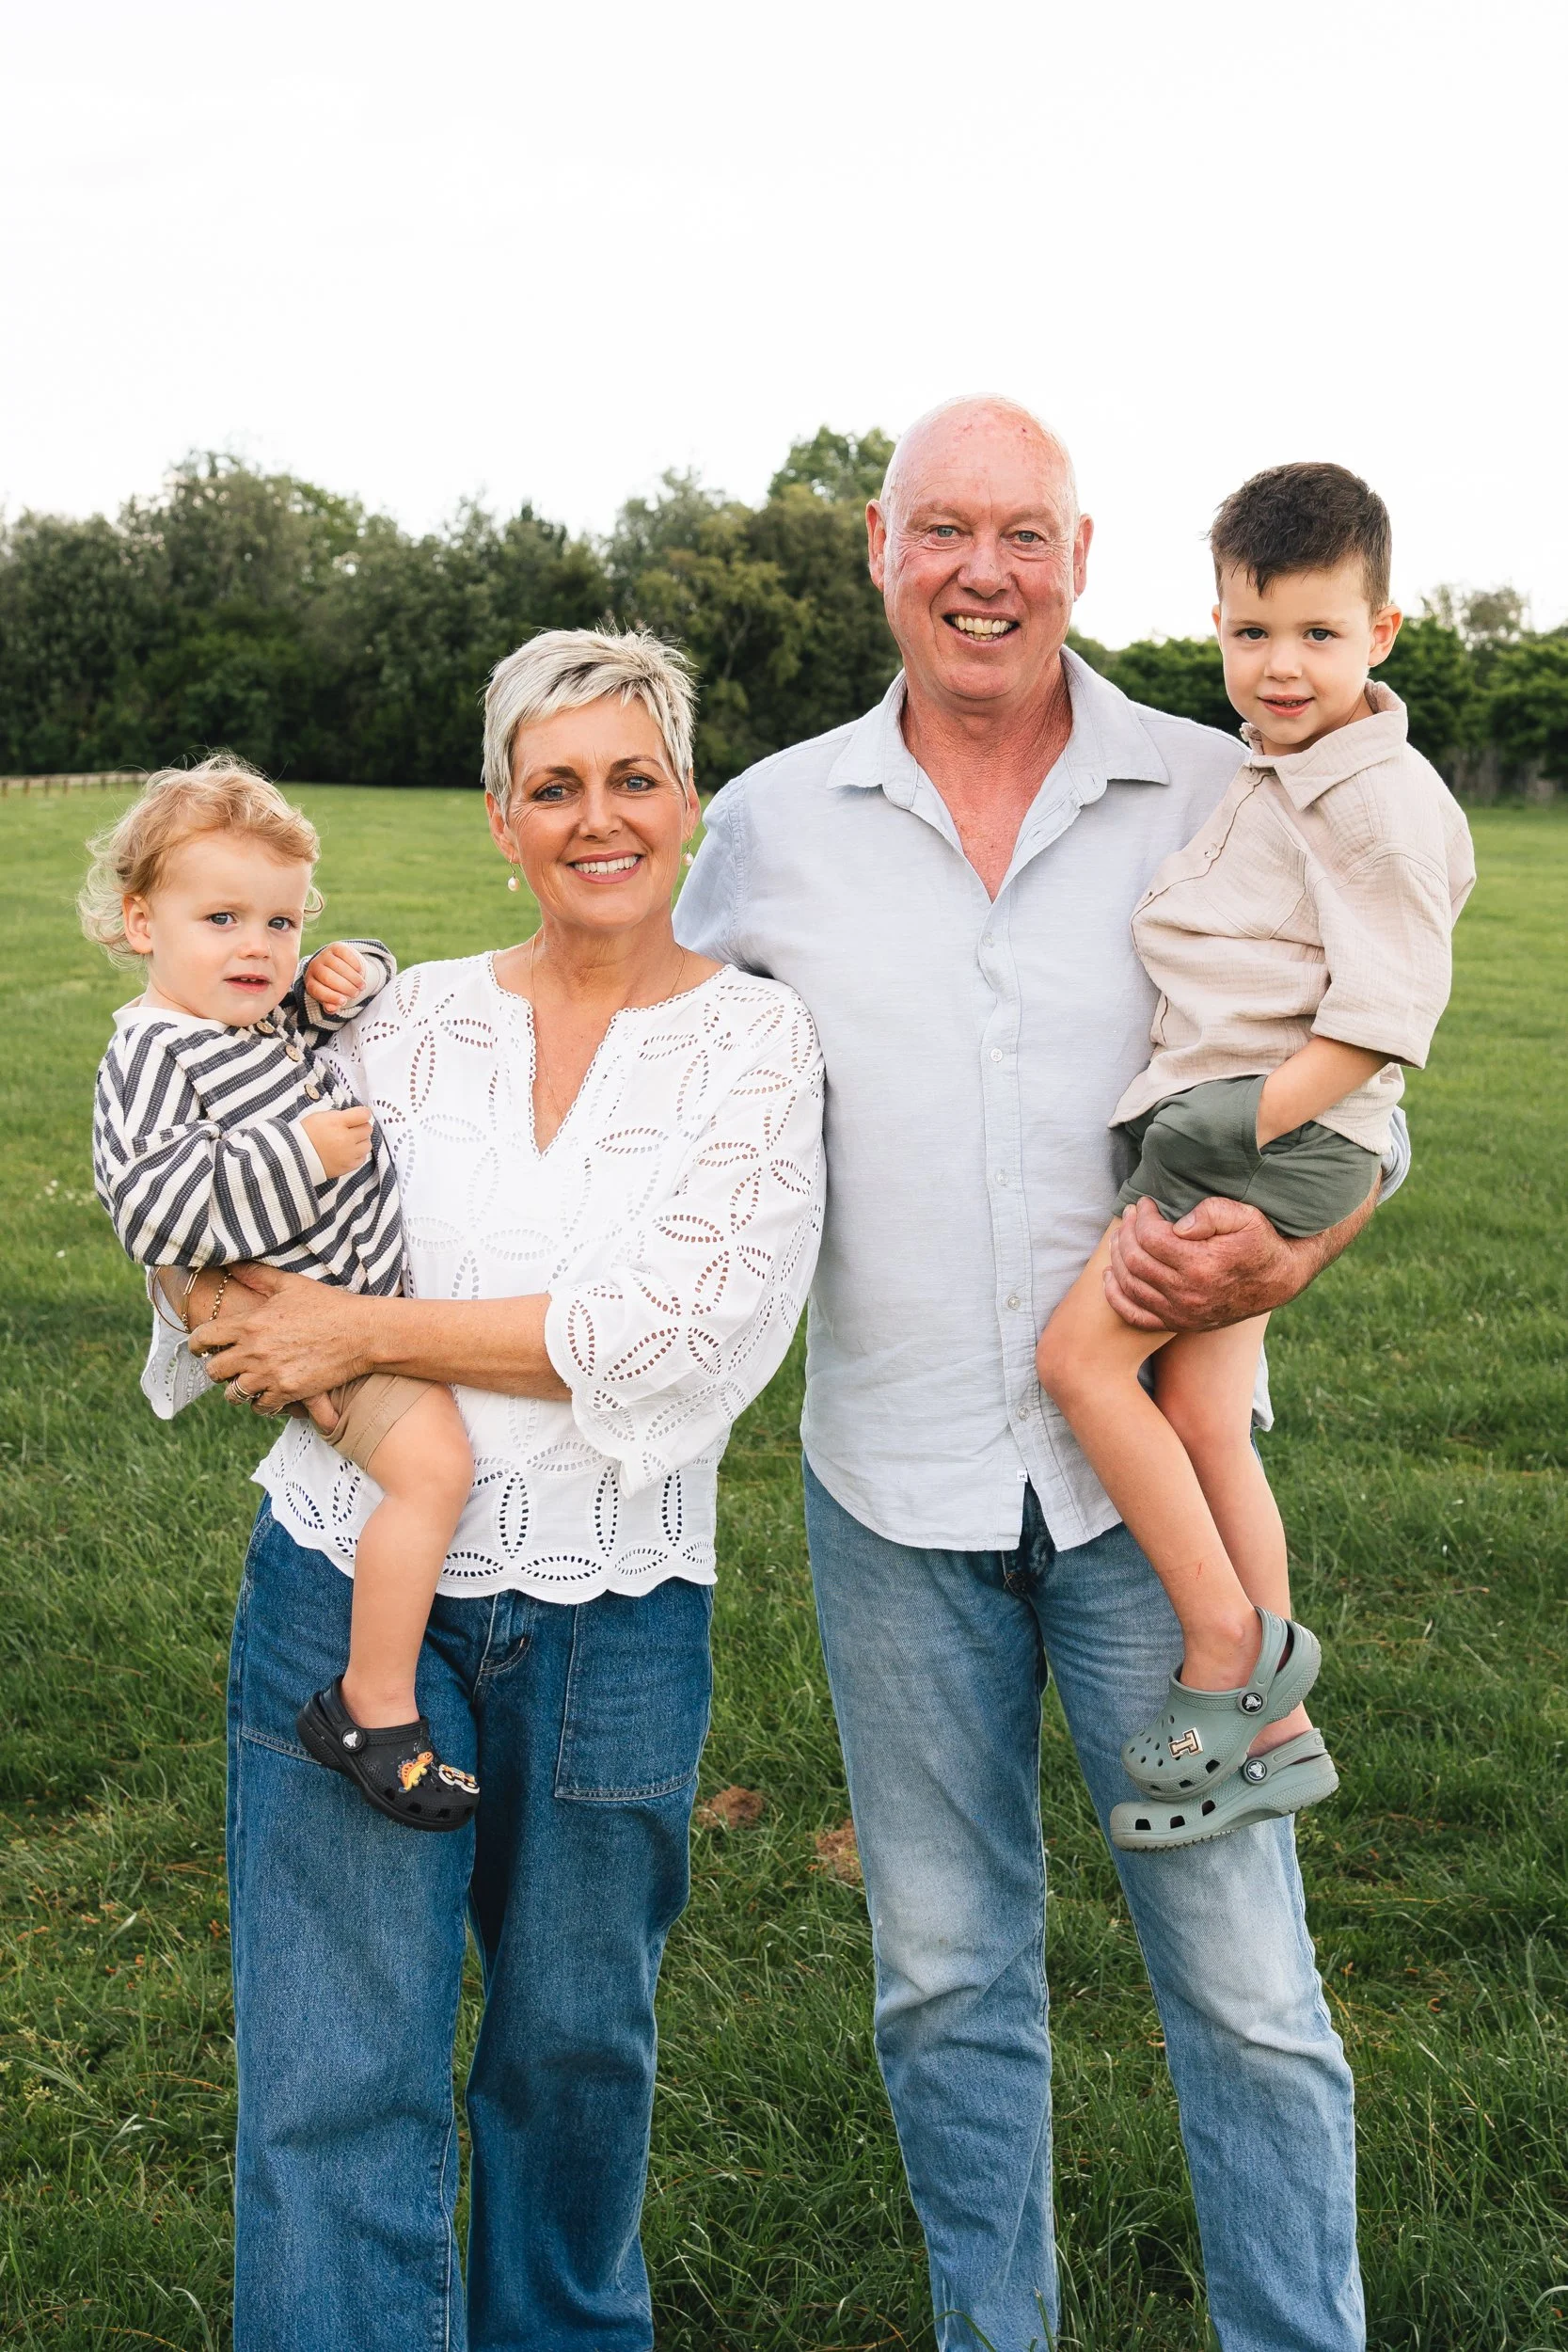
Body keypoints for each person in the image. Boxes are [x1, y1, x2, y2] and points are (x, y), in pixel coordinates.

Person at [675, 399, 1402, 2351]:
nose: (979, 568)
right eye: (940, 531)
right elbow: (639, 1059)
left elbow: (1372, 1062)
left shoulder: (1213, 785)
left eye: (1020, 531)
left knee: (1243, 1980)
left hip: (1141, 1482)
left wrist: (1293, 1237)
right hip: (887, 1488)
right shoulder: (764, 823)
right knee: (939, 1975)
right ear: (876, 549)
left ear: (1079, 555)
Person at [160, 628, 825, 2349]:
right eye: (554, 787)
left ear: (686, 803)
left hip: (615, 1615)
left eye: (632, 778)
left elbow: (670, 1330)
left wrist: (351, 1330)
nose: (596, 818)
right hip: (339, 1585)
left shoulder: (759, 1049)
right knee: (333, 2083)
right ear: (499, 820)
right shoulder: (403, 1019)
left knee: (571, 2068)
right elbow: (220, 1213)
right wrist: (231, 1310)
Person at [1036, 463, 1474, 1853]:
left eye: (1316, 634)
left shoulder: (1378, 800)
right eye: (1249, 632)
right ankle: (1278, 1742)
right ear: (1217, 622)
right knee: (1206, 1417)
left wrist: (1232, 1130)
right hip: (1248, 1114)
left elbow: (1385, 1022)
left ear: (1380, 633)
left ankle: (1229, 1650)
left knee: (1079, 1365)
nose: (1279, 666)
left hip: (1259, 1128)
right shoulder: (1278, 768)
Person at [85, 758, 481, 1830]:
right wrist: (302, 1154)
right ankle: (374, 1709)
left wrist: (353, 967)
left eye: (282, 920)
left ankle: (375, 1701)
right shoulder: (156, 1054)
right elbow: (153, 1209)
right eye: (221, 917)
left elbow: (315, 1008)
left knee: (436, 1468)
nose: (257, 946)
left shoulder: (252, 1021)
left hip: (350, 1317)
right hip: (312, 1327)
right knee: (436, 1470)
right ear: (139, 922)